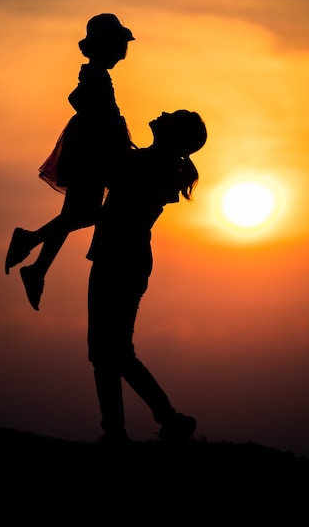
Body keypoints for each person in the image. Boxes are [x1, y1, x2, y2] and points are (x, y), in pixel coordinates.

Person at [86, 109, 207, 444]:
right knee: (108, 351)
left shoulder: (150, 166)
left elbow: (108, 167)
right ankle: (122, 430)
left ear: (175, 135)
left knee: (111, 351)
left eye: (172, 116)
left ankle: (158, 423)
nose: (163, 113)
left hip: (120, 259)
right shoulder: (150, 162)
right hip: (124, 258)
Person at [5, 14, 135, 310]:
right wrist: (109, 130)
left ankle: (37, 270)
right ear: (104, 47)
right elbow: (79, 100)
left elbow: (82, 100)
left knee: (72, 213)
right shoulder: (95, 75)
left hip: (89, 145)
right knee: (87, 213)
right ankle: (29, 240)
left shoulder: (96, 74)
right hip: (91, 149)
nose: (122, 52)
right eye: (117, 45)